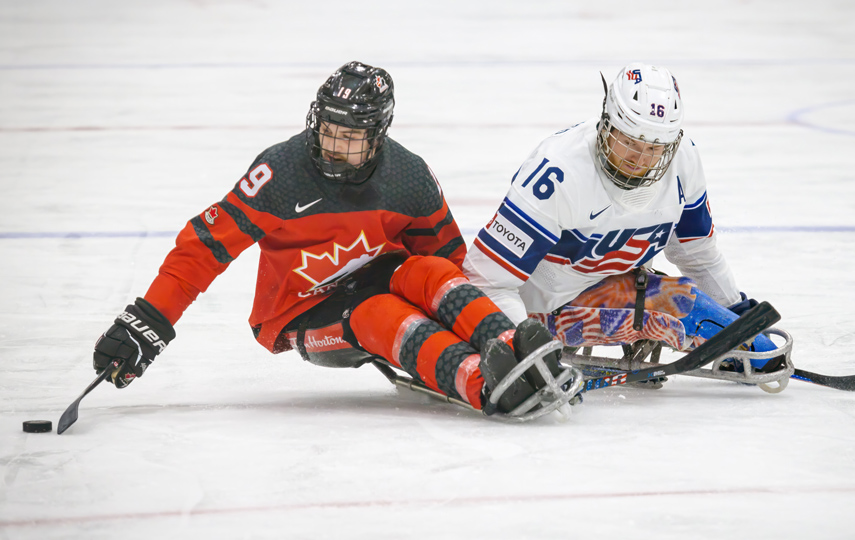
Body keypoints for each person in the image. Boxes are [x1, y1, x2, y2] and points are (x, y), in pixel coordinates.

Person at [91, 61, 578, 419]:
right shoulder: (280, 173)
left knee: (430, 273)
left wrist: (494, 318)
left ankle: (511, 344)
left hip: (377, 277)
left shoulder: (409, 176)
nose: (333, 145)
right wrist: (148, 321)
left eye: (351, 136)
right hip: (299, 313)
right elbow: (205, 246)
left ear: (379, 134)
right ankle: (480, 382)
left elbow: (448, 260)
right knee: (379, 315)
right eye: (328, 130)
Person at [462, 62, 790, 386]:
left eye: (655, 148)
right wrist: (530, 350)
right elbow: (485, 281)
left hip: (605, 284)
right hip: (537, 314)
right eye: (630, 141)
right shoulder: (558, 173)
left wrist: (736, 314)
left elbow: (697, 254)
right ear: (606, 124)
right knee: (683, 309)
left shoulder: (684, 159)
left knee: (708, 317)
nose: (642, 160)